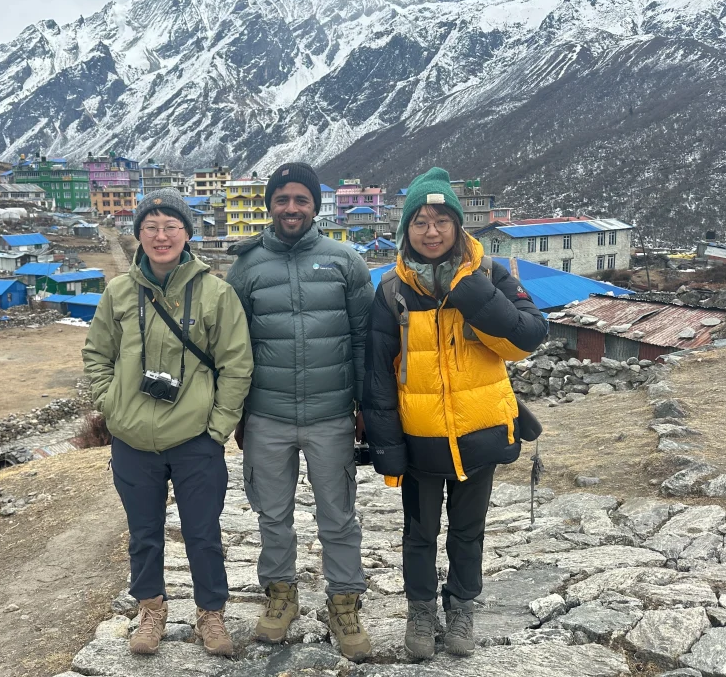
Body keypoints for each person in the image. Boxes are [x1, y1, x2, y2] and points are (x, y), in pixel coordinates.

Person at [360, 167, 547, 660]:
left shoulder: (489, 277)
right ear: (406, 230)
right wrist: (387, 447)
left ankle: (461, 607)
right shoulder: (392, 292)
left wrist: (469, 292)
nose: (431, 231)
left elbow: (527, 338)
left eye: (442, 220)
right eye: (420, 221)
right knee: (419, 534)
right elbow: (377, 378)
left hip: (479, 432)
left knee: (469, 532)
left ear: (458, 227)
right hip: (420, 439)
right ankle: (421, 611)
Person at [82, 188, 253, 657]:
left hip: (196, 438)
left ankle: (211, 615)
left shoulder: (216, 292)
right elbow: (97, 353)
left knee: (203, 532)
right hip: (132, 438)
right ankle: (151, 610)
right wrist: (110, 405)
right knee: (143, 533)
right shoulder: (118, 292)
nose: (161, 235)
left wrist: (218, 427)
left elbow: (236, 365)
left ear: (187, 234)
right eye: (151, 226)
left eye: (171, 226)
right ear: (138, 234)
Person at [225, 163, 375, 661]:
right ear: (270, 205)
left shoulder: (345, 261)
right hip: (267, 414)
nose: (291, 208)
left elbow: (362, 339)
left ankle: (344, 602)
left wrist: (363, 405)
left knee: (339, 516)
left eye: (301, 199)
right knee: (273, 516)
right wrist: (240, 414)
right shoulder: (245, 268)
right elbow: (232, 346)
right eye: (282, 199)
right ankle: (280, 597)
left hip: (332, 413)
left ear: (315, 206)